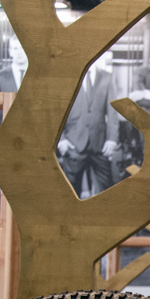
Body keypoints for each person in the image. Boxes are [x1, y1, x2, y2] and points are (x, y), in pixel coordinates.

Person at [58, 61, 120, 197]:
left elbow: (113, 112)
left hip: (100, 145)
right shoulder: (65, 77)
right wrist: (60, 140)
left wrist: (112, 139)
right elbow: (56, 111)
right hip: (73, 145)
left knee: (107, 194)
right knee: (70, 195)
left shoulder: (107, 77)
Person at [0, 36, 27, 124]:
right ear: (10, 52)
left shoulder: (40, 77)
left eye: (22, 48)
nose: (19, 52)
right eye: (15, 48)